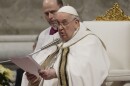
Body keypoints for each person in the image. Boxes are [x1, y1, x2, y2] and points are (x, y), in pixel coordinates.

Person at [38, 6, 110, 86]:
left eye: (64, 23)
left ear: (76, 23)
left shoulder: (90, 41)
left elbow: (86, 72)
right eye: (58, 23)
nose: (60, 28)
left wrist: (56, 73)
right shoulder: (57, 40)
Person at [21, 0, 63, 86]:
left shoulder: (71, 32)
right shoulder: (43, 35)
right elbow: (36, 61)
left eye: (53, 12)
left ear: (62, 8)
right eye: (46, 13)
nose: (50, 17)